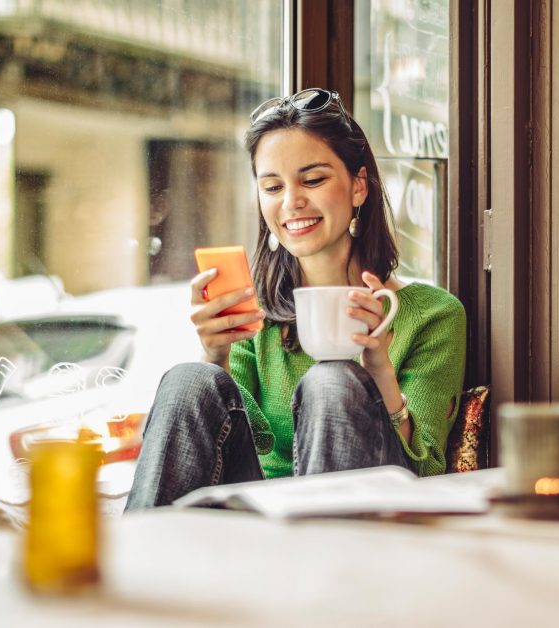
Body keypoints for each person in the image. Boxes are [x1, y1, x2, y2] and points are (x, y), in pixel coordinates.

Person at [125, 88, 466, 511]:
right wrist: (215, 355)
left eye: (313, 179)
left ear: (358, 186)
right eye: (272, 186)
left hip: (361, 529)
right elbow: (242, 435)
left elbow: (428, 471)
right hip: (253, 524)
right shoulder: (253, 311)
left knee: (333, 380)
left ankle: (319, 570)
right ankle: (137, 567)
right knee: (188, 377)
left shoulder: (433, 315)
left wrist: (377, 370)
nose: (291, 202)